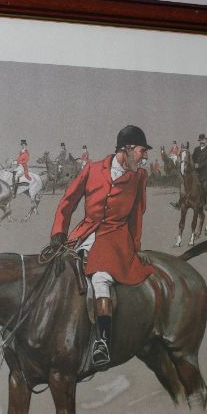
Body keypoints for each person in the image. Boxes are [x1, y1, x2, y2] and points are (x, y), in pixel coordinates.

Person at [48, 125, 154, 368]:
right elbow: (68, 201)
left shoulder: (139, 177)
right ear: (127, 149)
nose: (145, 156)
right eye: (142, 150)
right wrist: (58, 232)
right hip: (83, 234)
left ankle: (102, 342)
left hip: (115, 239)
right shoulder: (92, 169)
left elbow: (136, 216)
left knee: (100, 279)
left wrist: (135, 248)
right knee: (58, 270)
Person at [192, 133, 207, 208]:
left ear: (206, 140)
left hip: (204, 172)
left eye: (203, 140)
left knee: (204, 185)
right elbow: (193, 158)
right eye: (200, 140)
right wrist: (193, 164)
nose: (202, 141)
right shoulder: (196, 149)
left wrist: (199, 165)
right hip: (195, 171)